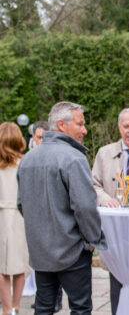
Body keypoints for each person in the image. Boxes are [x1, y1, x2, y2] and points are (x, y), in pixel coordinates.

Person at [17, 101, 107, 314]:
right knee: (80, 308)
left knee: (44, 307)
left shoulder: (28, 159)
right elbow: (85, 207)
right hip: (72, 250)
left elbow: (22, 205)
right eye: (80, 124)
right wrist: (93, 239)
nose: (84, 130)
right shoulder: (74, 158)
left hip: (41, 251)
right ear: (61, 125)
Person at [91, 108, 129, 315]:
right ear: (119, 127)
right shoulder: (104, 153)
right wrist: (106, 199)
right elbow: (94, 185)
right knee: (117, 275)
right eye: (126, 126)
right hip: (115, 230)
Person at [25, 120, 64, 312]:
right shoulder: (28, 161)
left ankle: (56, 299)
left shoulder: (59, 159)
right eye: (38, 137)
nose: (41, 141)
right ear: (33, 138)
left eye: (44, 137)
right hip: (37, 223)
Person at [0, 122, 30, 315]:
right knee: (20, 265)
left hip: (2, 215)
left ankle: (6, 308)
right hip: (21, 216)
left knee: (1, 267)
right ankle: (16, 307)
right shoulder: (26, 164)